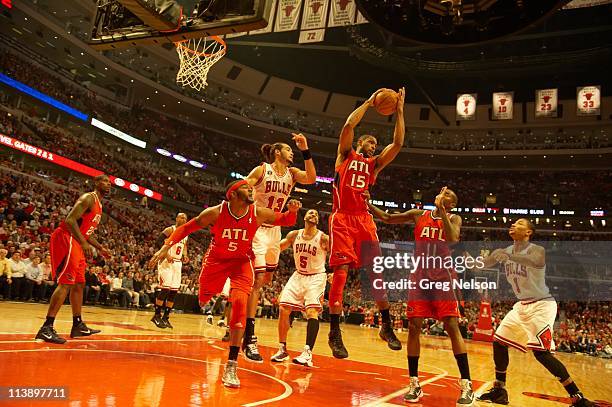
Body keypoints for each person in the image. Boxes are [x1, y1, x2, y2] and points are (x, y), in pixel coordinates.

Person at [149, 180, 301, 388]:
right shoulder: (215, 212)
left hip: (241, 263)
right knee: (203, 298)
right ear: (232, 195)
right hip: (216, 262)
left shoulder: (257, 213)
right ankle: (207, 301)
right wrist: (164, 247)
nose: (251, 190)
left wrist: (292, 210)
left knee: (239, 305)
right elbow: (186, 228)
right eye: (245, 188)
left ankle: (231, 364)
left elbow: (285, 220)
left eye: (250, 187)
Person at [367, 187, 474, 405]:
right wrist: (368, 204)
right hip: (420, 276)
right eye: (442, 192)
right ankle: (414, 383)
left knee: (452, 326)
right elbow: (388, 218)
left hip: (442, 275)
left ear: (452, 204)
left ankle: (466, 385)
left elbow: (452, 238)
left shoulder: (454, 217)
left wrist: (441, 210)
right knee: (414, 326)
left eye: (448, 195)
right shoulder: (419, 215)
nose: (443, 194)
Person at [476, 219, 595, 407]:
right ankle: (500, 390)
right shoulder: (506, 250)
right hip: (521, 306)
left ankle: (577, 397)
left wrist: (508, 258)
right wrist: (461, 254)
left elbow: (535, 261)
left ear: (529, 232)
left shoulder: (536, 249)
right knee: (499, 342)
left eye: (519, 223)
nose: (513, 225)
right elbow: (482, 265)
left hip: (541, 305)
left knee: (541, 353)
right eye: (513, 223)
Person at [327, 87, 406, 359]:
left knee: (377, 274)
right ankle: (334, 333)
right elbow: (349, 124)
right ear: (361, 143)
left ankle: (386, 325)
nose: (374, 147)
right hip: (342, 218)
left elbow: (397, 145)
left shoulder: (373, 166)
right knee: (340, 275)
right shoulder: (345, 155)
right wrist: (370, 103)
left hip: (363, 220)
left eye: (375, 145)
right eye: (371, 143)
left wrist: (400, 112)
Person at [242, 133, 317, 362]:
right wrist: (248, 206)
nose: (291, 152)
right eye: (289, 149)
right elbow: (242, 188)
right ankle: (249, 337)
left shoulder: (292, 174)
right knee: (257, 280)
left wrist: (305, 150)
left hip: (275, 231)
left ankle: (242, 304)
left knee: (264, 282)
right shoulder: (262, 170)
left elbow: (312, 178)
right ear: (277, 152)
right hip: (256, 228)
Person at [35, 175, 112, 344]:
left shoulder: (99, 205)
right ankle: (46, 328)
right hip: (66, 237)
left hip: (77, 240)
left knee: (79, 284)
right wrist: (84, 243)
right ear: (96, 183)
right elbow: (69, 220)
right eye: (105, 181)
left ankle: (77, 325)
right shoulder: (88, 198)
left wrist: (100, 248)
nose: (108, 184)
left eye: (110, 182)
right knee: (66, 283)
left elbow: (86, 232)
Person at [270, 209, 329, 367]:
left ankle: (308, 353)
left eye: (316, 214)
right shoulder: (294, 235)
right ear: (304, 217)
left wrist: (336, 273)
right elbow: (277, 248)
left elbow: (339, 255)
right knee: (283, 308)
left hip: (316, 277)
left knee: (311, 312)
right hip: (298, 275)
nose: (313, 215)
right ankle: (282, 349)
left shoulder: (323, 238)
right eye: (311, 213)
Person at [152, 213, 189, 329]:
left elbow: (185, 246)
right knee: (165, 289)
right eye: (181, 217)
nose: (182, 219)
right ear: (176, 218)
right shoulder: (170, 229)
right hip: (166, 262)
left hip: (178, 263)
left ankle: (166, 317)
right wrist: (166, 254)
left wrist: (185, 255)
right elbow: (158, 242)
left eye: (185, 218)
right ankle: (156, 315)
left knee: (173, 292)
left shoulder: (186, 233)